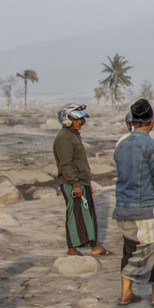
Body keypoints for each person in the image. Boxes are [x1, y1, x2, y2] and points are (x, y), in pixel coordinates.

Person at [113, 99, 154, 307]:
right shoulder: (152, 145)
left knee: (130, 247)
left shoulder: (121, 144)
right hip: (144, 207)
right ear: (150, 122)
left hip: (122, 207)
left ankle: (125, 294)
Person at [53, 103, 110, 257]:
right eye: (76, 119)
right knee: (74, 214)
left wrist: (86, 183)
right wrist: (76, 185)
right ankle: (72, 249)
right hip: (72, 183)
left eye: (81, 119)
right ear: (67, 119)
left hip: (81, 182)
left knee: (87, 214)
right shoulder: (64, 137)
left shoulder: (73, 135)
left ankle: (94, 246)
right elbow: (66, 164)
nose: (80, 122)